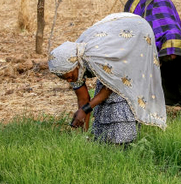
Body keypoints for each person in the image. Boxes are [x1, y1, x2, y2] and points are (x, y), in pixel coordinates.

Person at [48, 13, 167, 144]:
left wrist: (86, 109)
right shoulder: (70, 63)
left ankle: (124, 142)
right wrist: (83, 135)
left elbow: (109, 87)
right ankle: (103, 139)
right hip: (112, 38)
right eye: (65, 79)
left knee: (121, 91)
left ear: (76, 65)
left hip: (135, 32)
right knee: (104, 97)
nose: (69, 81)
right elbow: (83, 99)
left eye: (69, 77)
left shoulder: (96, 57)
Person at [124, 0, 181, 111]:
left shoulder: (177, 38)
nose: (172, 56)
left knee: (179, 66)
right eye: (170, 55)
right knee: (152, 69)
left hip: (164, 7)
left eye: (173, 54)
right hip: (141, 9)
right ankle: (155, 103)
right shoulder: (149, 38)